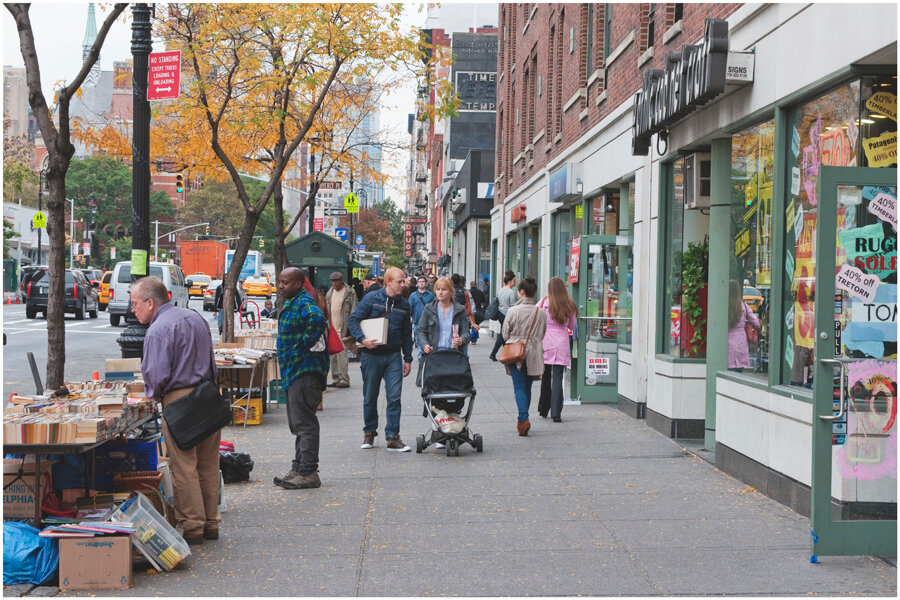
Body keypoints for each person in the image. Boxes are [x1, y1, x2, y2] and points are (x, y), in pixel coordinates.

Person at [132, 276, 221, 545]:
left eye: (135, 304)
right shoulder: (195, 318)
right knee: (208, 462)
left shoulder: (158, 330)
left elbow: (156, 375)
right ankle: (211, 522)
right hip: (206, 394)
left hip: (179, 399)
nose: (132, 309)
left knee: (184, 466)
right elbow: (211, 362)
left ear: (150, 302)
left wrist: (154, 395)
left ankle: (193, 525)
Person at [273, 267, 329, 489]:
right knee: (298, 423)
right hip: (294, 372)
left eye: (285, 282)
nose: (280, 286)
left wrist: (305, 343)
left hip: (303, 372)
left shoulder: (304, 303)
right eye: (280, 282)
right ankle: (299, 468)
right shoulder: (294, 301)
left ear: (298, 284)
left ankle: (308, 472)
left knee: (304, 424)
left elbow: (317, 319)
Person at [347, 267, 414, 451]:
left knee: (394, 397)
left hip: (393, 355)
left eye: (404, 281)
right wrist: (363, 340)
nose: (403, 284)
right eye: (399, 281)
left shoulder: (404, 304)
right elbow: (353, 320)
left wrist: (407, 358)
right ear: (388, 282)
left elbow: (407, 333)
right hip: (371, 355)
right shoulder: (371, 299)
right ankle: (369, 433)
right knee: (370, 396)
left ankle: (392, 436)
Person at [501, 276, 547, 436]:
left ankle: (524, 418)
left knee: (519, 387)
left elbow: (505, 333)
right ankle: (522, 420)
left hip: (516, 352)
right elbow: (542, 333)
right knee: (527, 387)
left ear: (521, 292)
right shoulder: (540, 313)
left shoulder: (513, 311)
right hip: (534, 352)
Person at [536, 277, 577, 422]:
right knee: (558, 378)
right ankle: (556, 413)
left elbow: (535, 320)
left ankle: (543, 409)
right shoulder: (569, 305)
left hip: (546, 342)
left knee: (545, 377)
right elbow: (572, 326)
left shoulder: (542, 303)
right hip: (561, 343)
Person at [326, 271, 357, 388]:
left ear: (341, 280)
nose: (333, 283)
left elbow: (354, 310)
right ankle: (335, 378)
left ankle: (344, 379)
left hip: (343, 329)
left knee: (342, 354)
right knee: (333, 355)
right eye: (332, 281)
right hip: (332, 329)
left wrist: (351, 327)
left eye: (335, 281)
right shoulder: (330, 292)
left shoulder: (350, 292)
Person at [728, 279, 760, 372]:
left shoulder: (723, 305)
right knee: (738, 373)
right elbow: (756, 322)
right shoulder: (743, 306)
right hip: (740, 343)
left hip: (727, 343)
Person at [489, 270, 518, 361]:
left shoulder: (500, 291)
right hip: (507, 315)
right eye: (514, 280)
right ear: (510, 281)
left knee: (504, 334)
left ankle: (506, 354)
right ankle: (493, 353)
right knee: (503, 335)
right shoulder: (511, 292)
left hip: (500, 314)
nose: (515, 282)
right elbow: (513, 306)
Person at [408, 276, 436, 356]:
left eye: (423, 281)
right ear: (417, 284)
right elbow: (409, 308)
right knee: (419, 340)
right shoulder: (413, 296)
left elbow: (435, 307)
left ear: (426, 283)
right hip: (417, 322)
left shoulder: (431, 296)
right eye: (419, 281)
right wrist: (410, 317)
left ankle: (426, 354)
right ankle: (421, 355)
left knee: (429, 339)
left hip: (430, 322)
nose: (421, 283)